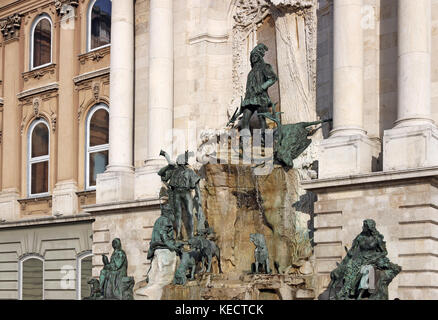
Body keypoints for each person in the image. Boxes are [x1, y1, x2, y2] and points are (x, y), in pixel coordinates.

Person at [158, 150, 201, 240]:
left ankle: (191, 234)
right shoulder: (174, 170)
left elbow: (196, 183)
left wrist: (199, 197)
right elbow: (160, 173)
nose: (179, 162)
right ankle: (178, 234)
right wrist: (168, 165)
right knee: (178, 214)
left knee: (189, 213)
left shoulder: (189, 171)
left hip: (186, 192)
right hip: (176, 193)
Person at [240, 43, 278, 143]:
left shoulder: (265, 67)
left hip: (261, 97)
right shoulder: (250, 73)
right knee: (245, 119)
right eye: (252, 56)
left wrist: (261, 87)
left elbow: (273, 78)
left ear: (260, 57)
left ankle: (267, 141)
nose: (253, 58)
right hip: (250, 98)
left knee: (262, 119)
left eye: (255, 56)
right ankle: (245, 141)